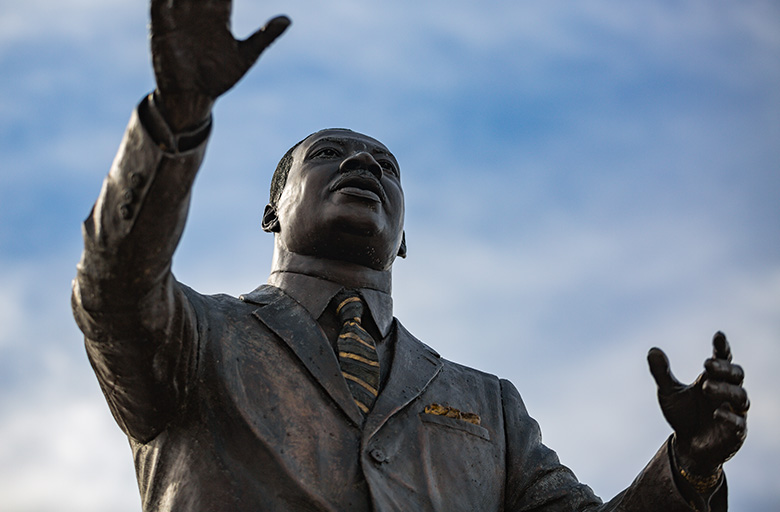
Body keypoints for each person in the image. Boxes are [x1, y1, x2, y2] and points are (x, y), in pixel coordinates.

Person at [71, 1, 749, 510]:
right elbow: (113, 289)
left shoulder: (491, 407)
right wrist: (178, 115)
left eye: (384, 166)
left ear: (404, 237)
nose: (363, 161)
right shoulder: (197, 339)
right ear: (271, 211)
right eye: (330, 154)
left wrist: (688, 467)